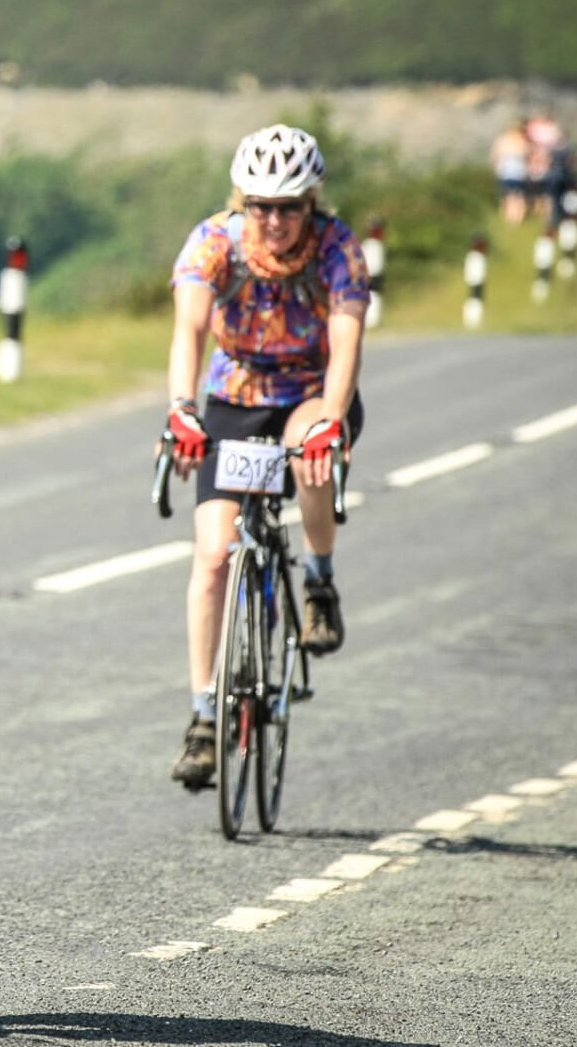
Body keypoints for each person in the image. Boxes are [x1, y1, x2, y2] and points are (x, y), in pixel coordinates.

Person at [160, 124, 371, 789]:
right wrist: (182, 408)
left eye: (288, 207)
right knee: (213, 557)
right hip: (236, 399)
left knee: (308, 454)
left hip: (311, 393)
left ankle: (319, 583)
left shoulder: (338, 249)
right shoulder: (215, 242)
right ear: (242, 201)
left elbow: (346, 343)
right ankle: (203, 718)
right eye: (261, 206)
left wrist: (329, 420)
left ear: (312, 203)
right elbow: (190, 328)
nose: (274, 221)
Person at [490, 118, 534, 224]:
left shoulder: (502, 140)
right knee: (518, 196)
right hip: (519, 171)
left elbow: (495, 155)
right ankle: (517, 218)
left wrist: (496, 168)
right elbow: (528, 154)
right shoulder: (522, 141)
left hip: (505, 171)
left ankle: (509, 218)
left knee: (507, 196)